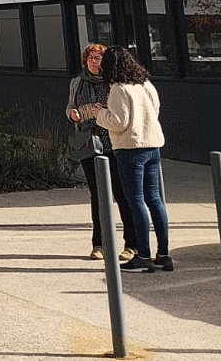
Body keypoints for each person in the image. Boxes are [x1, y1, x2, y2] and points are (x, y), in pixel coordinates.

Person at [95, 46, 172, 273]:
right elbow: (155, 110)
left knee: (135, 200)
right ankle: (164, 254)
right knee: (155, 200)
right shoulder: (145, 84)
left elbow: (119, 122)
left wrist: (99, 114)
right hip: (153, 144)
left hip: (130, 148)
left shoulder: (118, 88)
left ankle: (143, 255)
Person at [66, 43, 138, 261]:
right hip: (88, 143)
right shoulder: (77, 82)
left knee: (121, 193)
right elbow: (70, 106)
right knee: (97, 195)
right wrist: (73, 114)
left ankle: (132, 244)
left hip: (112, 142)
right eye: (90, 59)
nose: (93, 62)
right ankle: (99, 244)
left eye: (98, 58)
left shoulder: (114, 82)